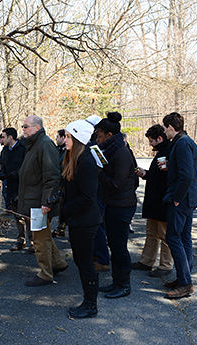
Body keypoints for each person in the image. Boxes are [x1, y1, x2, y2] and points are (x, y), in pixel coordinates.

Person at [18, 115, 68, 286]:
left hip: (39, 203)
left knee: (39, 240)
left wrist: (47, 202)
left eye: (26, 126)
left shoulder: (44, 144)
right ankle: (59, 264)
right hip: (33, 200)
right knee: (44, 235)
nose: (23, 129)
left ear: (37, 128)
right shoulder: (33, 145)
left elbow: (52, 177)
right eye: (23, 126)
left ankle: (46, 273)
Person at [60, 120, 102, 319]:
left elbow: (87, 197)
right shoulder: (74, 159)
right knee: (80, 260)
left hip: (85, 221)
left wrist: (65, 209)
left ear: (78, 139)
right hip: (77, 220)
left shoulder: (86, 162)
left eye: (68, 136)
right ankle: (88, 301)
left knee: (85, 263)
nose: (64, 139)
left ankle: (91, 305)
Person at [95, 112, 137, 299]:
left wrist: (99, 172)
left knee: (119, 247)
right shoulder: (113, 150)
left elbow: (117, 184)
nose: (98, 139)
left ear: (109, 136)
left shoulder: (121, 152)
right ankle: (116, 281)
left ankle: (124, 285)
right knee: (113, 244)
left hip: (122, 206)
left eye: (100, 136)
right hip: (113, 204)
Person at [160, 112, 197, 299]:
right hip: (188, 198)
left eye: (165, 128)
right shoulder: (184, 141)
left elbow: (187, 175)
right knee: (184, 238)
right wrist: (170, 167)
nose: (164, 131)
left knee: (173, 237)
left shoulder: (183, 143)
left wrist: (177, 197)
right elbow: (183, 170)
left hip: (183, 199)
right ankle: (184, 277)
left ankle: (185, 283)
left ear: (170, 127)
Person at [132, 124, 174, 277]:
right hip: (153, 201)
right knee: (151, 233)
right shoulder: (160, 152)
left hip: (162, 201)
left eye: (151, 141)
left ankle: (166, 265)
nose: (149, 144)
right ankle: (146, 261)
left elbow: (172, 177)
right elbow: (157, 177)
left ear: (159, 138)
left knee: (164, 235)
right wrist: (145, 174)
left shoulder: (169, 151)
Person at [86, 115, 110, 273]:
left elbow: (103, 168)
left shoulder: (98, 146)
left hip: (99, 191)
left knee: (98, 226)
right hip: (95, 190)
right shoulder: (92, 145)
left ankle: (103, 259)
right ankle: (96, 255)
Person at [0, 128, 29, 251]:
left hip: (23, 187)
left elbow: (25, 167)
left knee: (27, 215)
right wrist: (3, 174)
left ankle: (31, 242)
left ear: (10, 137)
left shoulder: (22, 149)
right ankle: (20, 241)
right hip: (10, 187)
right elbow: (3, 164)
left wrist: (14, 174)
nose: (2, 138)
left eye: (3, 136)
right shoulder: (5, 150)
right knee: (17, 216)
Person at [52, 129, 67, 237]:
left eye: (57, 137)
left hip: (64, 182)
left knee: (63, 205)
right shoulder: (58, 150)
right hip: (58, 181)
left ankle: (61, 228)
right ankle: (60, 227)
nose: (56, 139)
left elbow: (63, 167)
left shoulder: (67, 151)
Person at [0, 134, 9, 211]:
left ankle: (9, 208)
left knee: (6, 191)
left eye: (1, 139)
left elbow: (4, 160)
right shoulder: (4, 149)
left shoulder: (6, 149)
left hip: (7, 174)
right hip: (4, 173)